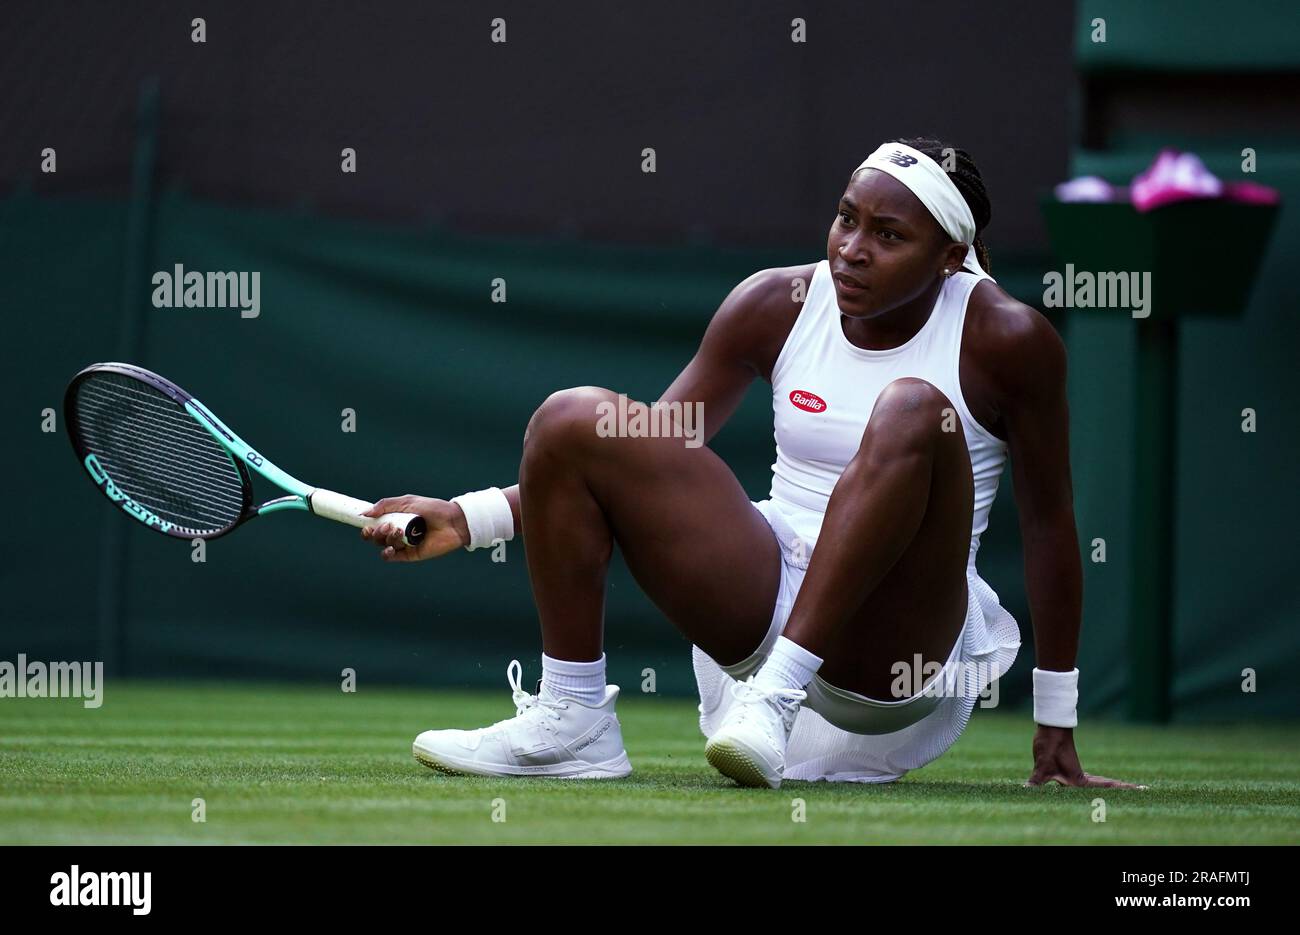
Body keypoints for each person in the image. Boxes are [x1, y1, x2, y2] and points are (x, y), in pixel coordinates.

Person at [361, 137, 1144, 791]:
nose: (852, 250)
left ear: (951, 257)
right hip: (765, 598)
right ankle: (574, 722)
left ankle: (774, 697)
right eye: (846, 219)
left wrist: (1057, 724)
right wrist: (468, 518)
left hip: (897, 646)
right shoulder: (774, 302)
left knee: (912, 406)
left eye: (888, 236)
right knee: (577, 418)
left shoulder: (1009, 338)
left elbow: (1049, 527)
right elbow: (648, 448)